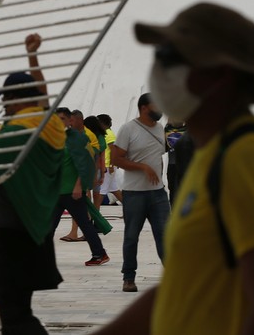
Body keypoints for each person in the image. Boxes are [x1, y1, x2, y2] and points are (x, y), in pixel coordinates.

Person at [94, 2, 254, 335]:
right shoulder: (212, 152)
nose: (159, 70)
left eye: (171, 59)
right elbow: (186, 288)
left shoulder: (250, 159)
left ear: (219, 74)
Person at [0, 32, 65, 335]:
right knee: (20, 305)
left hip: (12, 229)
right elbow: (42, 94)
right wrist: (33, 56)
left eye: (6, 98)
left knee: (13, 310)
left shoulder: (12, 136)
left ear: (16, 99)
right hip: (37, 227)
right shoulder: (48, 125)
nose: (4, 104)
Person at [109, 93, 169, 293]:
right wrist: (143, 167)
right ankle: (128, 278)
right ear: (144, 107)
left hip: (158, 194)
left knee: (165, 236)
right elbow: (116, 159)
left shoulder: (160, 128)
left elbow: (157, 157)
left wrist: (159, 176)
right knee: (131, 236)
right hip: (135, 193)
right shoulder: (128, 129)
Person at [51, 109, 110, 266]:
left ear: (70, 120)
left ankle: (99, 254)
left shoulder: (78, 139)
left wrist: (79, 185)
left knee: (84, 223)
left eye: (62, 118)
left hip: (71, 191)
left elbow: (87, 162)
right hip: (58, 190)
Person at [96, 114, 123, 206]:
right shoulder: (105, 133)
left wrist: (112, 164)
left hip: (108, 166)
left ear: (102, 123)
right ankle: (130, 206)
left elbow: (113, 150)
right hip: (108, 165)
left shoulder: (108, 134)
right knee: (114, 189)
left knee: (101, 190)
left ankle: (94, 211)